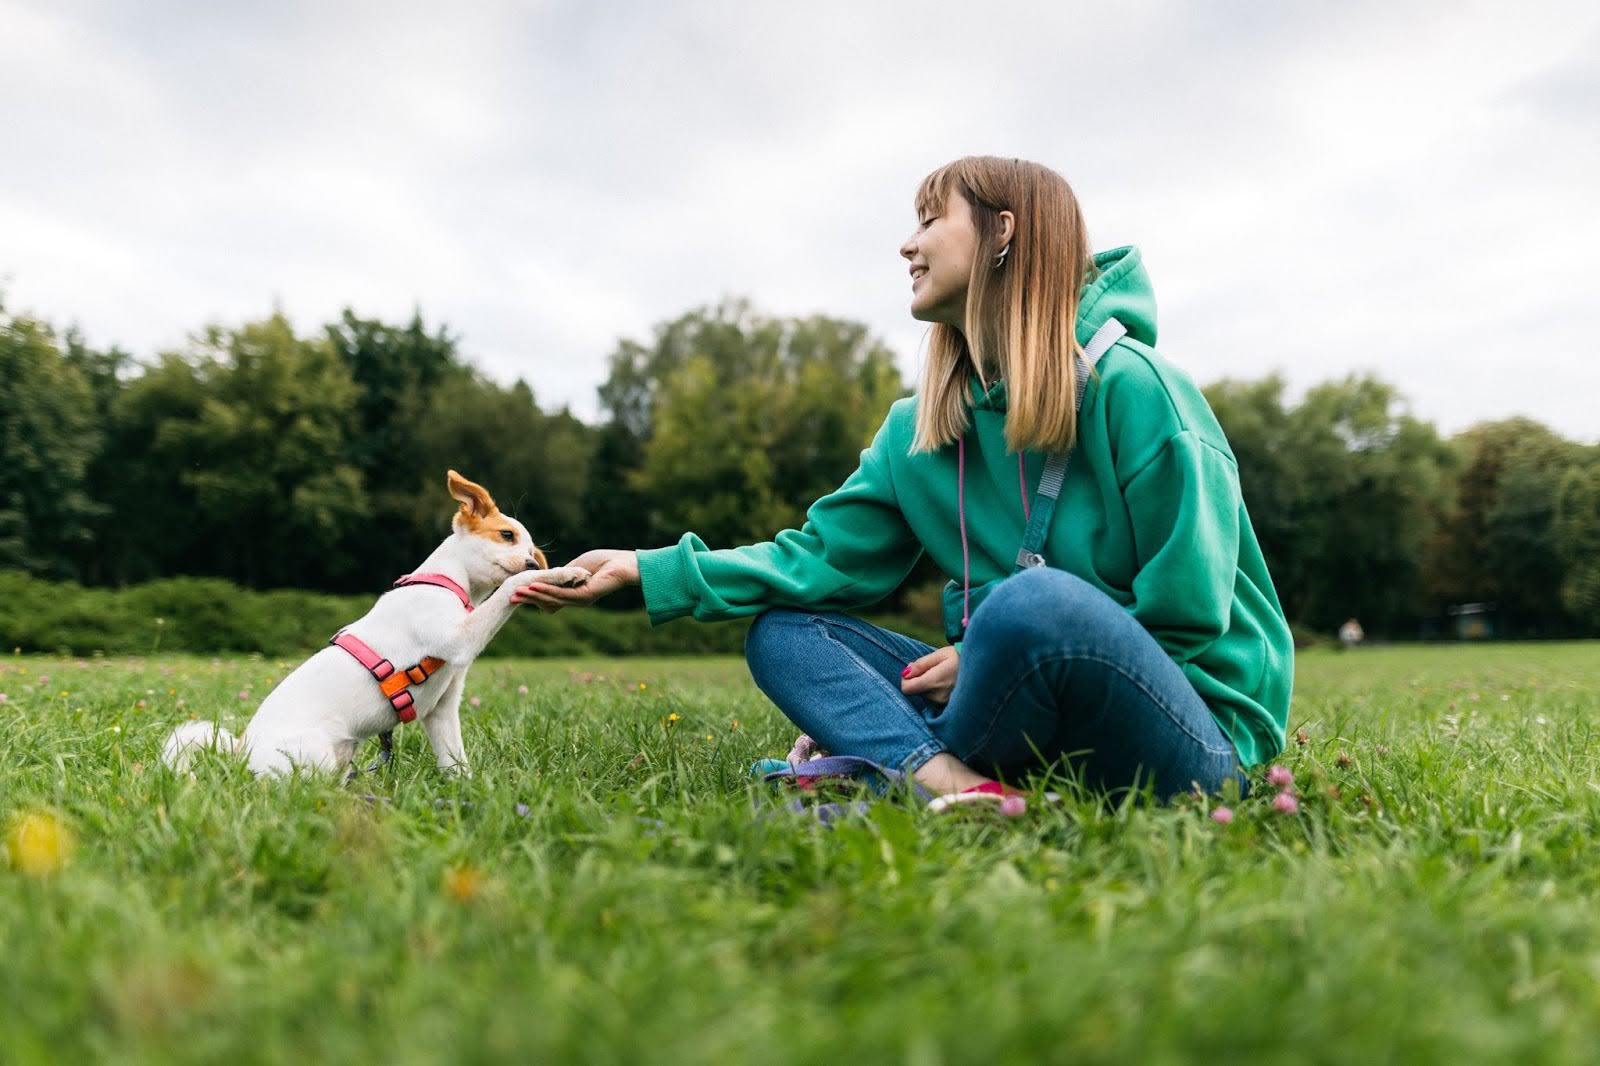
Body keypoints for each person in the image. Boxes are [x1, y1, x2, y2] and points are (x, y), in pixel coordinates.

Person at [516, 156, 1293, 803]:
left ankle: (880, 760)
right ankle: (949, 780)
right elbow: (815, 561)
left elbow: (1190, 609)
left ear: (1001, 234)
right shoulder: (917, 428)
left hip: (1190, 737)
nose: (906, 246)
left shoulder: (1138, 389)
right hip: (1014, 714)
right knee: (787, 631)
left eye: (930, 220)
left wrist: (995, 646)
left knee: (1032, 602)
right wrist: (646, 568)